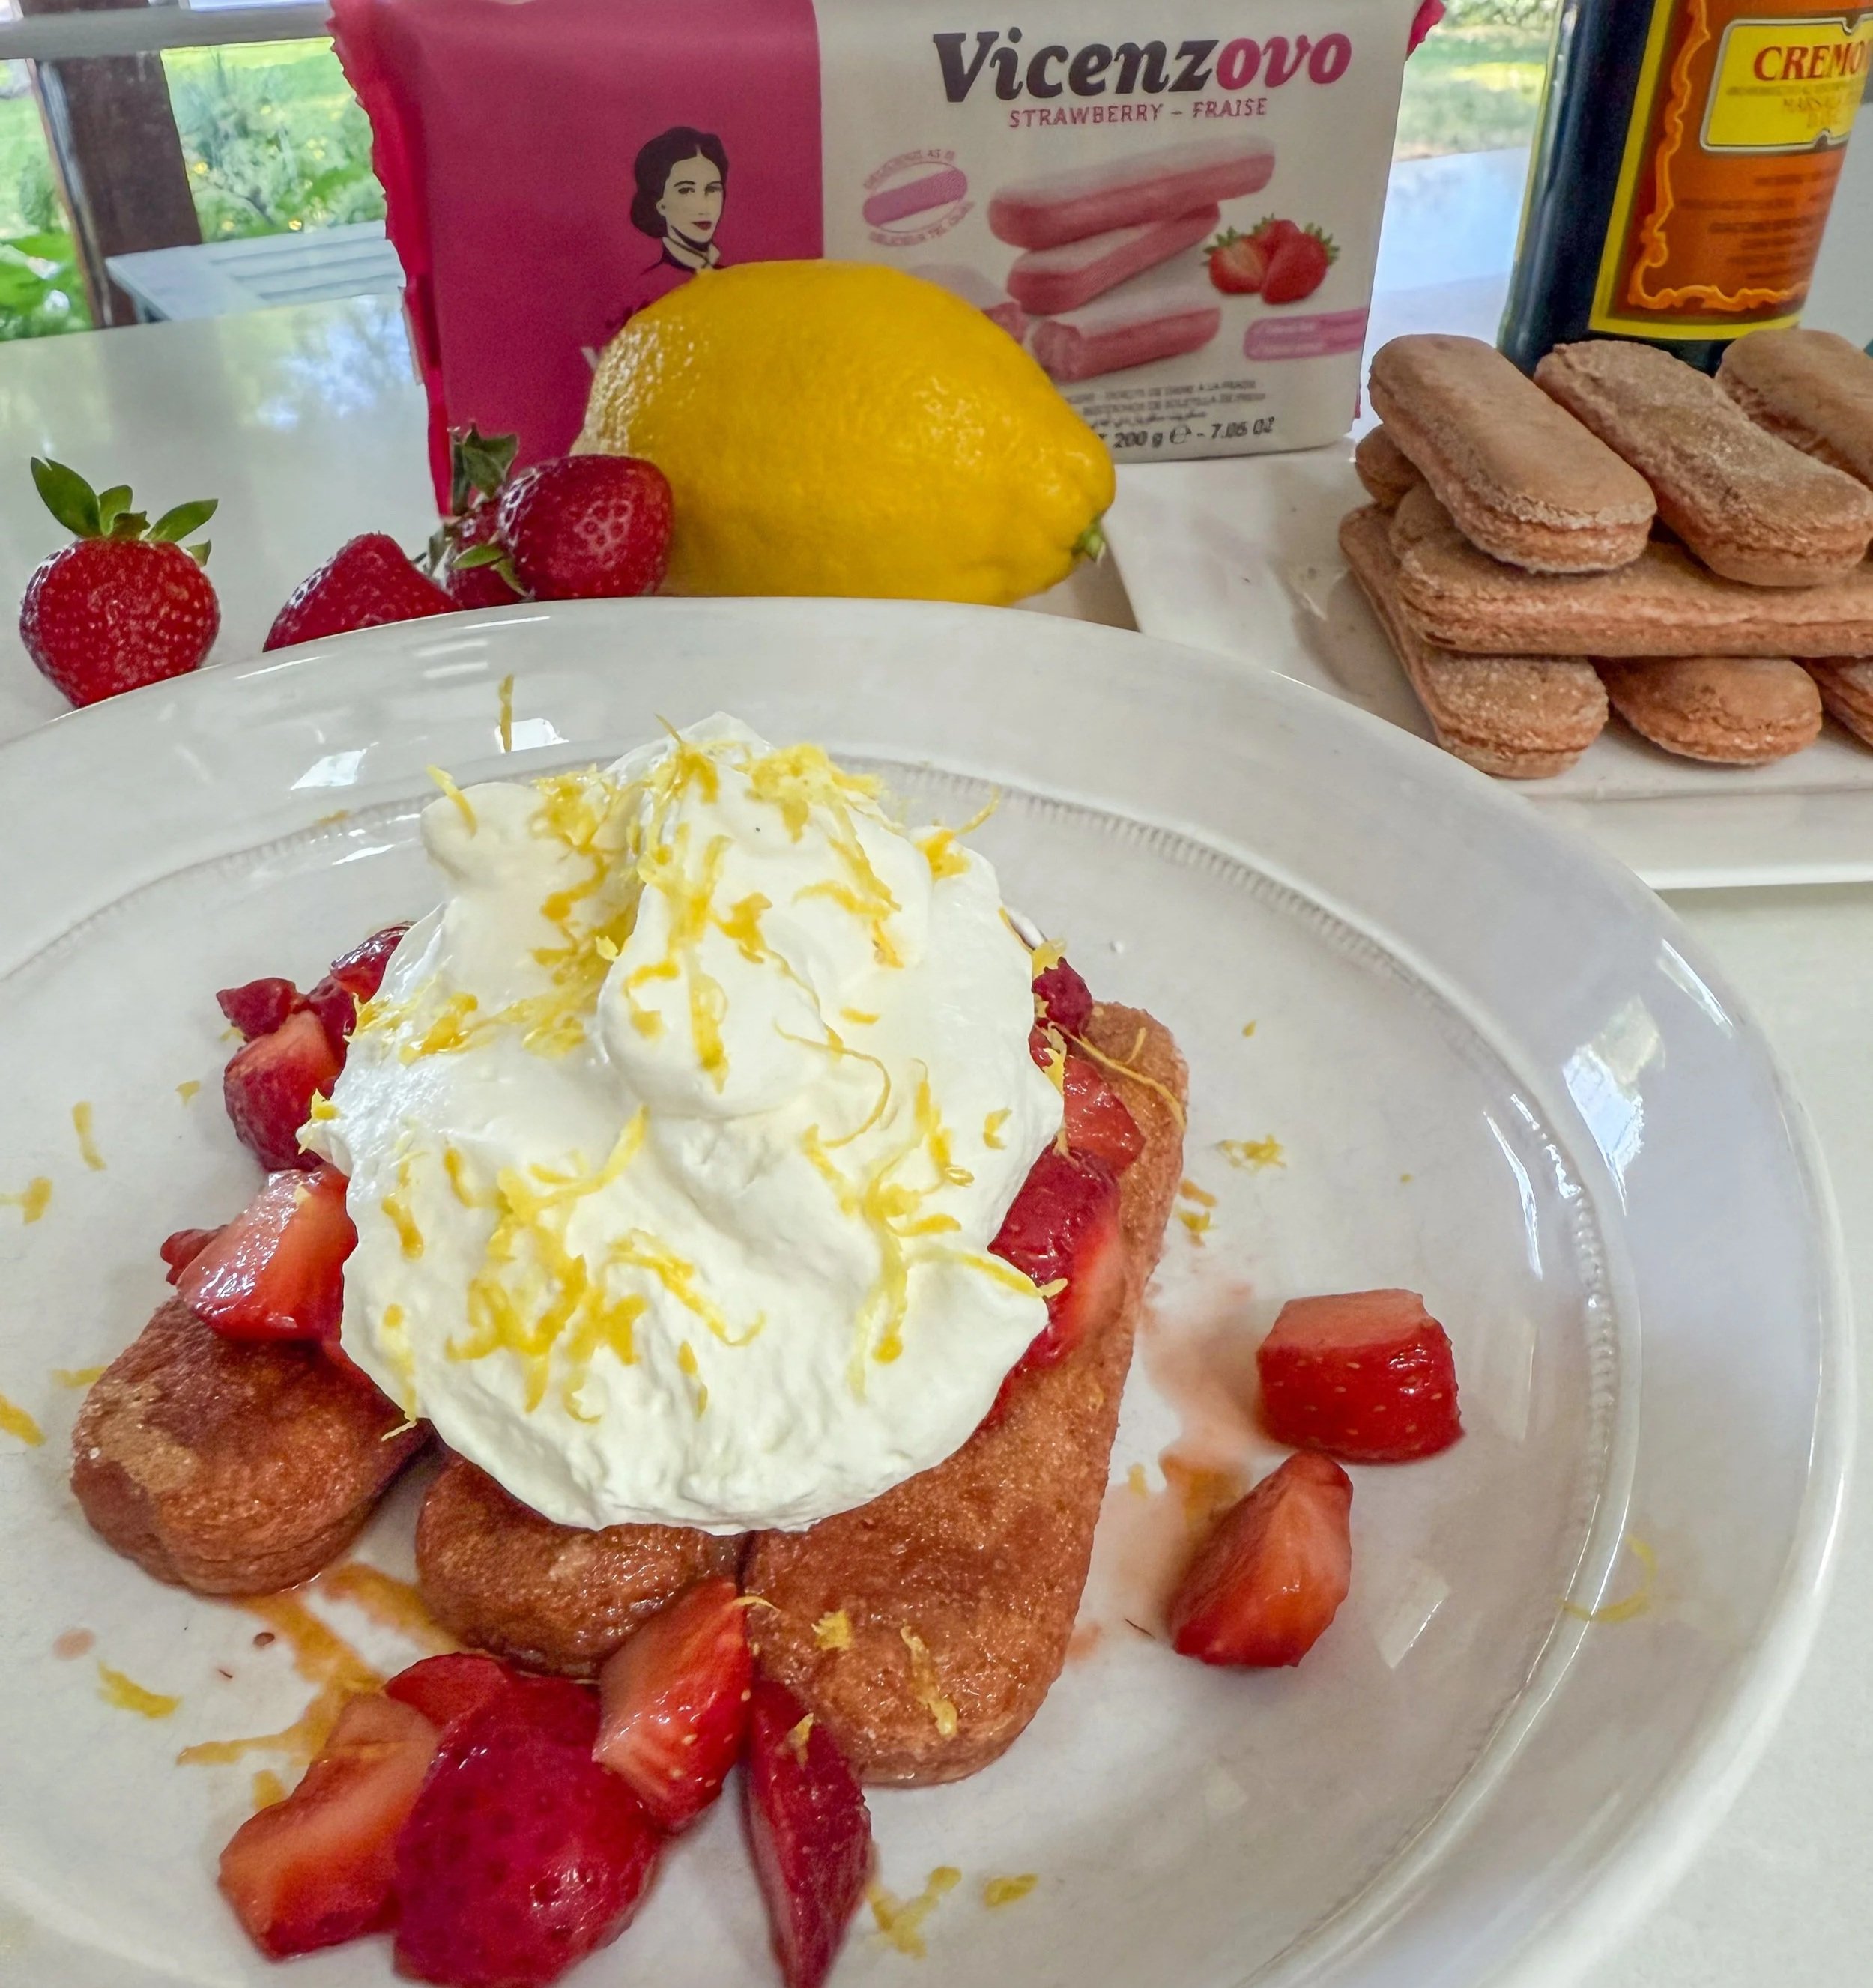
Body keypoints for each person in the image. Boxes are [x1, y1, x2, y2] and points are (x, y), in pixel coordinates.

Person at [605, 127, 730, 336]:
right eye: (686, 190)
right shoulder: (642, 293)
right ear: (660, 204)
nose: (703, 205)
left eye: (712, 189)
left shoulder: (736, 280)